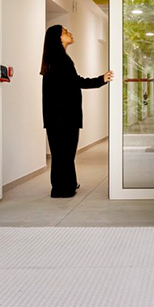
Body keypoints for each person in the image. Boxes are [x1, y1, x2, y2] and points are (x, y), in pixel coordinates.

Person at [40, 23, 112, 197]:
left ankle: (67, 184)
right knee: (64, 154)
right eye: (65, 32)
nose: (70, 33)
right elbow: (77, 82)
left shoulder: (56, 60)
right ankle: (62, 190)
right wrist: (101, 79)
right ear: (58, 39)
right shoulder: (61, 60)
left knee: (61, 154)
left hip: (57, 118)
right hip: (64, 118)